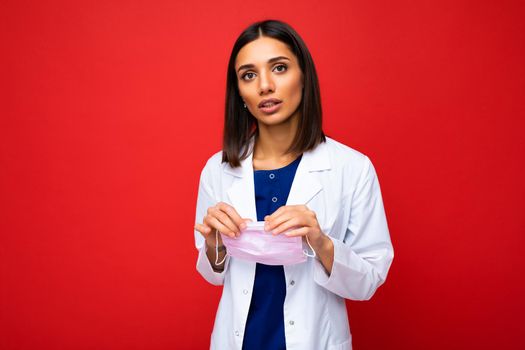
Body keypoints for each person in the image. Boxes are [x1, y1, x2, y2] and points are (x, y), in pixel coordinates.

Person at [193, 19, 394, 350]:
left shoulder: (352, 168)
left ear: (304, 77)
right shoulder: (218, 169)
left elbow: (368, 282)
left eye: (280, 68)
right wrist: (216, 245)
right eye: (249, 75)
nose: (265, 86)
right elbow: (214, 274)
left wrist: (320, 242)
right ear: (240, 93)